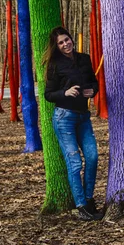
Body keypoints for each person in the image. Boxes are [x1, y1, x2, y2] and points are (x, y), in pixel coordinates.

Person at [43, 26, 103, 221]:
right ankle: (81, 206)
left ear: (71, 39)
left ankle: (88, 199)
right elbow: (48, 94)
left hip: (83, 116)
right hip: (64, 118)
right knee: (75, 163)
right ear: (57, 46)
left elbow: (94, 83)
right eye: (61, 43)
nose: (65, 44)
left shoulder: (84, 59)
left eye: (67, 40)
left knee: (92, 157)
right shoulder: (54, 64)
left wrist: (92, 91)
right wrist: (65, 93)